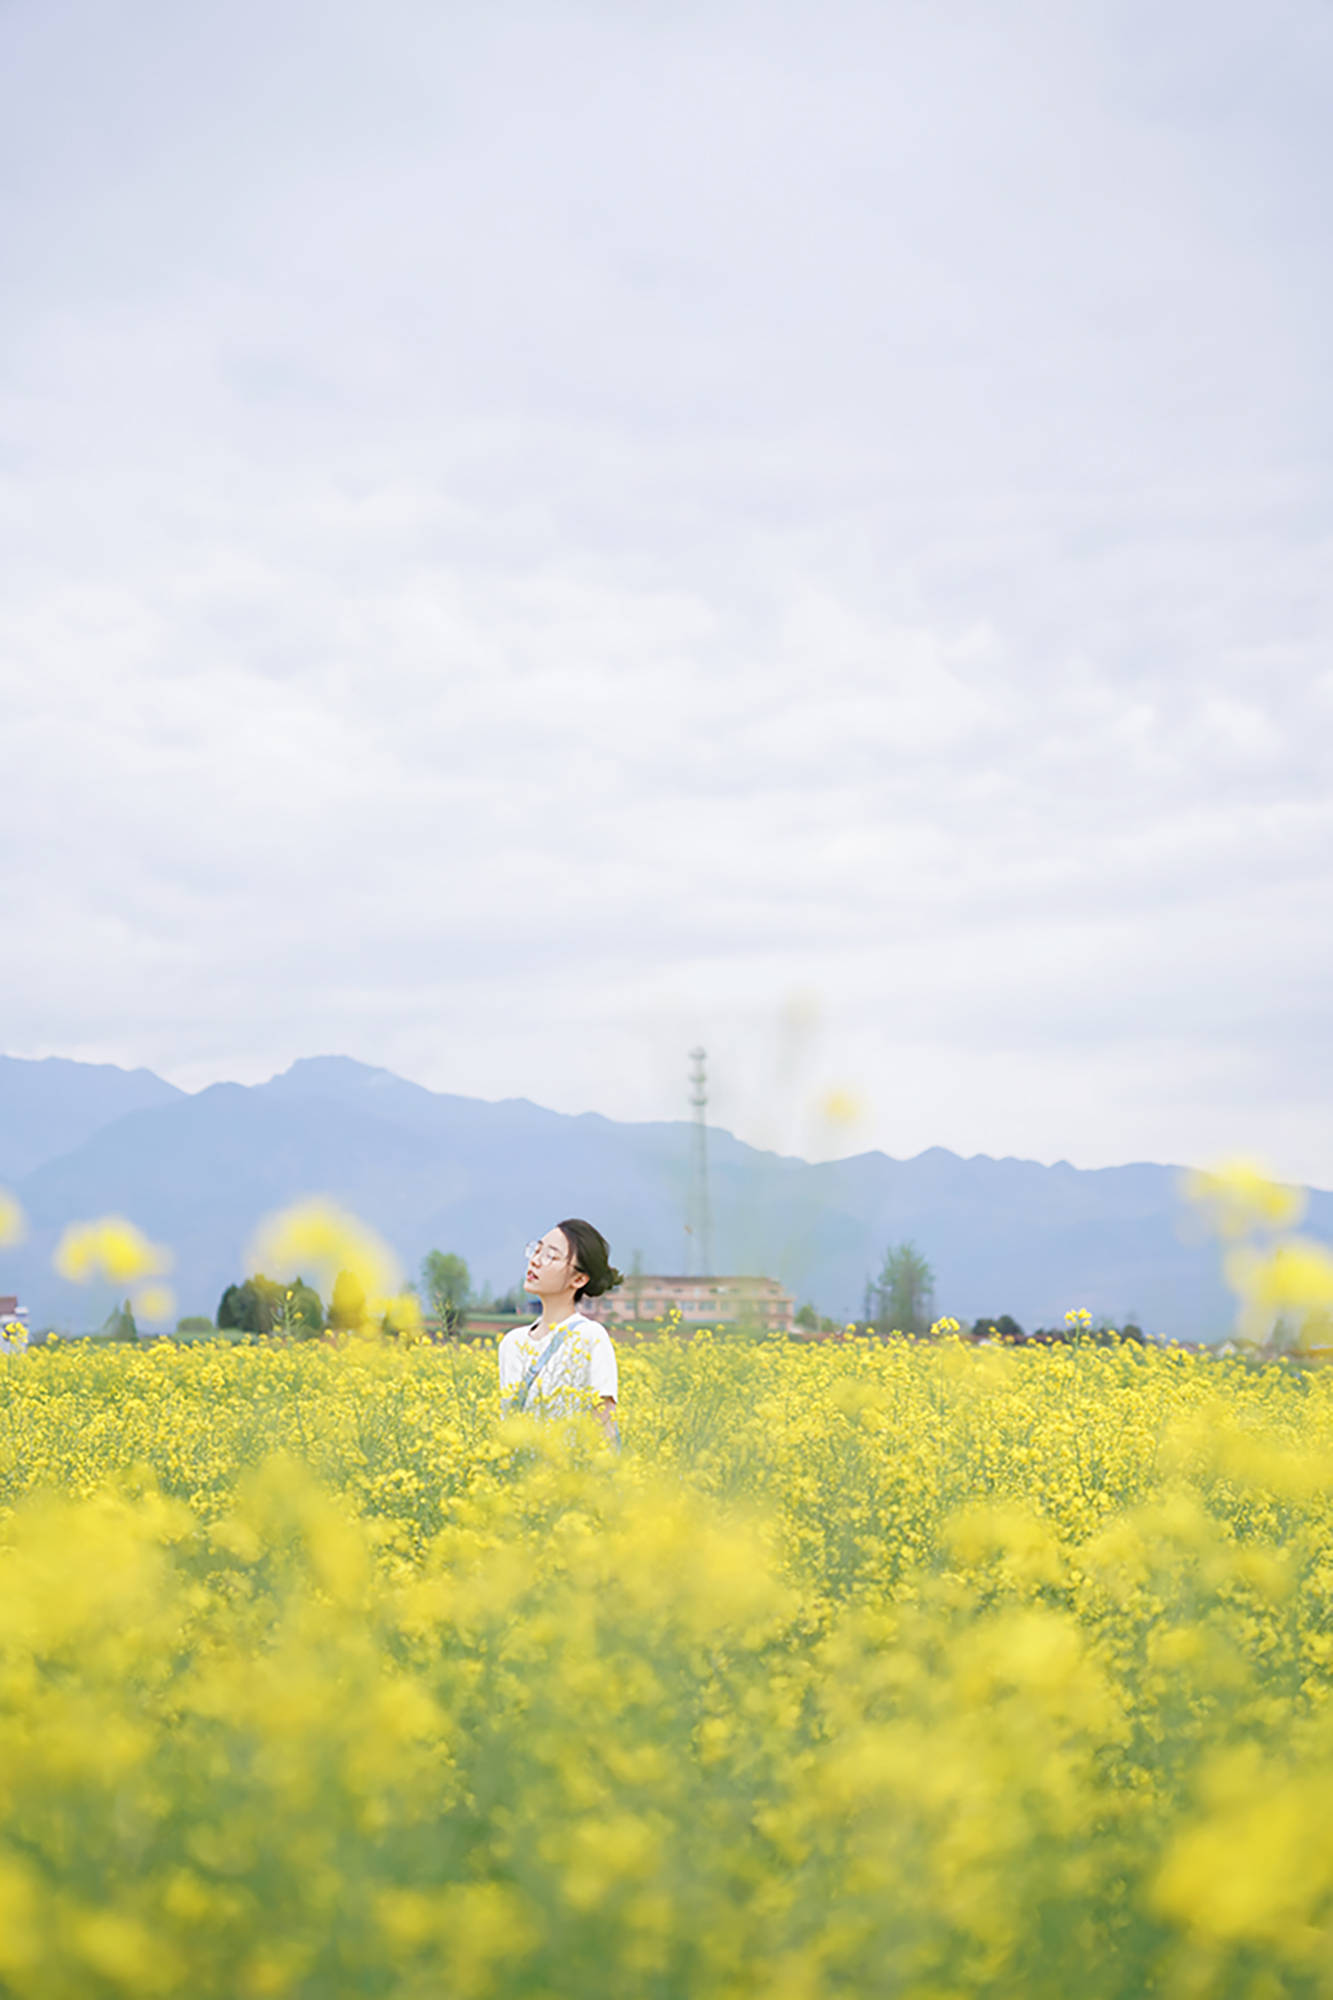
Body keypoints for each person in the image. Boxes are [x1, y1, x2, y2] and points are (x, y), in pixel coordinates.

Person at [499, 1219, 622, 1444]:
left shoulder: (590, 1337)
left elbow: (604, 1430)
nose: (535, 1261)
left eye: (551, 1256)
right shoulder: (511, 1343)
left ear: (579, 1279)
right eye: (537, 1251)